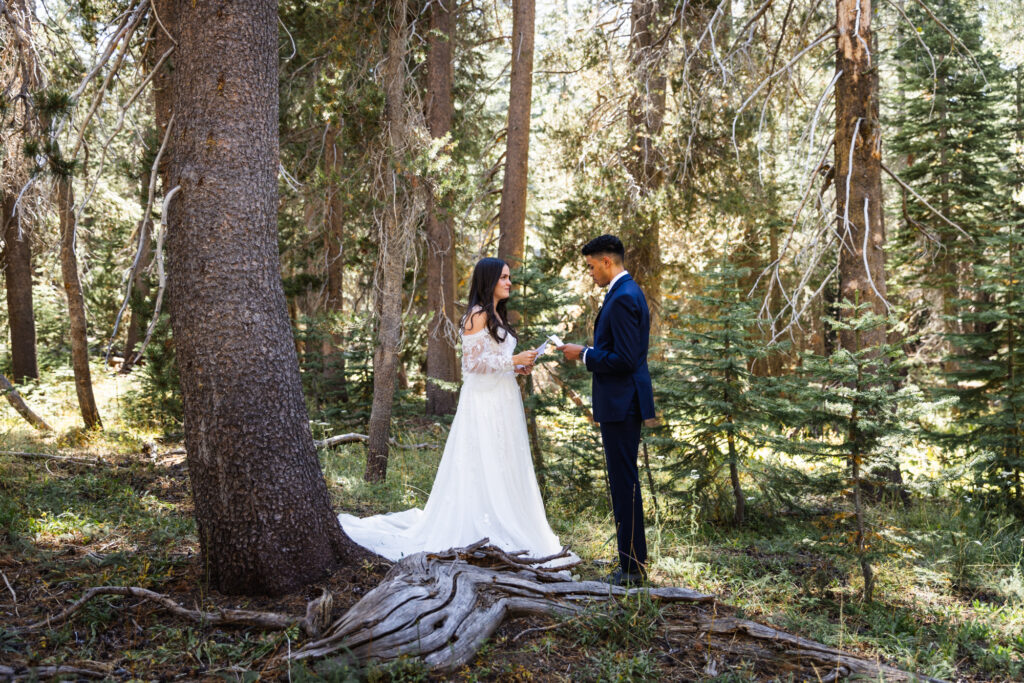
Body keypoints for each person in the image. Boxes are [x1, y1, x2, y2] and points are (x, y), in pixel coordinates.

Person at [338, 257, 574, 566]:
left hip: (503, 398)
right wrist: (512, 359)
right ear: (488, 280)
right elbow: (472, 365)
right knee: (483, 459)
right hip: (483, 403)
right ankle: (479, 525)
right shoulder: (476, 316)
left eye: (509, 277)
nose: (509, 282)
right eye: (503, 277)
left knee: (504, 460)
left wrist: (519, 366)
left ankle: (505, 520)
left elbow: (495, 362)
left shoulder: (497, 317)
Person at [557, 235, 656, 586]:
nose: (590, 273)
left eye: (591, 266)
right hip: (621, 403)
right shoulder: (622, 293)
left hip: (622, 404)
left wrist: (584, 354)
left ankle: (631, 568)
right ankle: (631, 561)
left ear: (607, 262)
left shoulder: (625, 297)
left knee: (624, 484)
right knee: (622, 482)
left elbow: (626, 359)